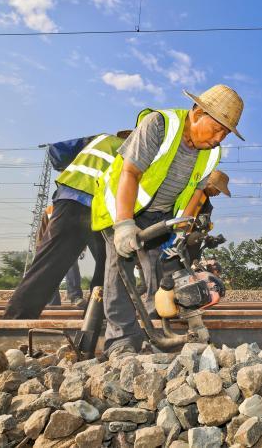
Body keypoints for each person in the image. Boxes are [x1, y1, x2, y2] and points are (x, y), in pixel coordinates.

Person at [90, 85, 244, 355]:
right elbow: (130, 173)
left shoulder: (212, 152)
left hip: (162, 215)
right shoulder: (160, 125)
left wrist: (182, 231)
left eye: (225, 134)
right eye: (217, 129)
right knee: (120, 271)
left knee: (167, 278)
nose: (220, 138)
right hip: (124, 204)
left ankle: (162, 339)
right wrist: (125, 224)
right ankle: (122, 342)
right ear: (197, 113)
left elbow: (196, 195)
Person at [3, 132, 128, 319]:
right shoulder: (136, 150)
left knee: (48, 262)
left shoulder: (98, 139)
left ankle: (16, 319)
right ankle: (94, 320)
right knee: (108, 267)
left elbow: (56, 151)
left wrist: (71, 168)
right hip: (102, 209)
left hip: (70, 199)